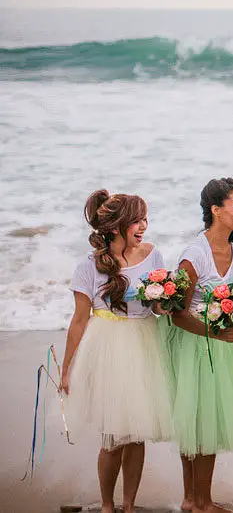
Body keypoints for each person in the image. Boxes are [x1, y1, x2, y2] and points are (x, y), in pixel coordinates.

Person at [60, 190, 173, 513]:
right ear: (114, 227)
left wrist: (165, 304)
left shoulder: (152, 255)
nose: (143, 226)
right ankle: (107, 505)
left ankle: (128, 506)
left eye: (144, 219)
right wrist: (67, 369)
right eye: (135, 221)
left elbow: (156, 305)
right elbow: (79, 321)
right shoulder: (89, 267)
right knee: (113, 435)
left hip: (144, 344)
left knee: (137, 433)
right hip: (108, 347)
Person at [160, 178, 233, 513]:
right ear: (216, 210)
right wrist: (217, 334)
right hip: (194, 344)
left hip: (218, 343)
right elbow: (176, 315)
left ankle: (193, 499)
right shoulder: (194, 255)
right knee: (203, 420)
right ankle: (201, 501)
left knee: (202, 420)